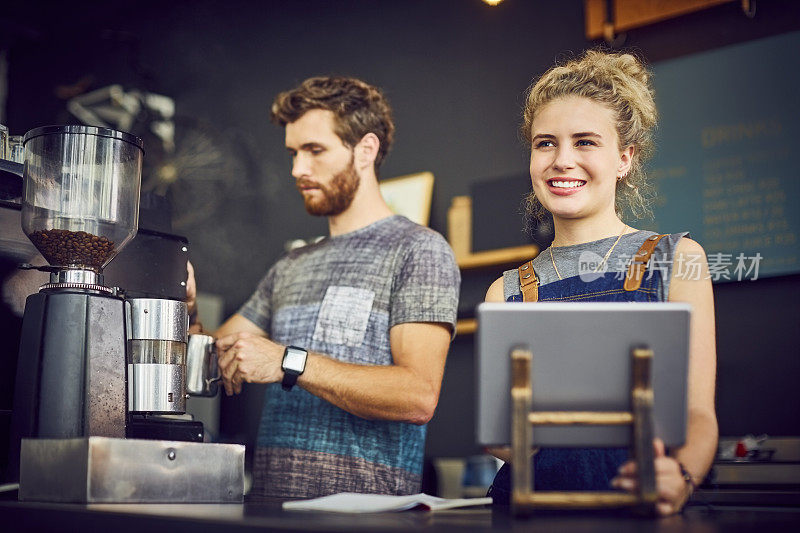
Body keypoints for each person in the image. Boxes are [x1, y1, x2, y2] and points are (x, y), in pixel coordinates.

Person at [186, 76, 460, 499]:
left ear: (365, 150)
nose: (298, 169)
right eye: (294, 153)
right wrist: (188, 315)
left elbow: (417, 396)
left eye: (315, 150)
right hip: (270, 514)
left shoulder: (418, 250)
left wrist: (288, 362)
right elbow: (210, 364)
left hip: (370, 520)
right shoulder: (290, 266)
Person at [484, 50, 717, 516]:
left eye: (586, 142)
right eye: (545, 143)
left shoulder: (679, 260)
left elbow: (698, 416)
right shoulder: (506, 290)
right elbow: (501, 436)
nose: (561, 160)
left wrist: (684, 476)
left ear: (624, 159)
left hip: (645, 508)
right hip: (528, 513)